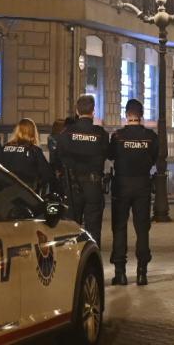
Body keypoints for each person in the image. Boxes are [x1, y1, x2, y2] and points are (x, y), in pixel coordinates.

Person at [109, 99, 159, 286]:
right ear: (141, 114)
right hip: (142, 184)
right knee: (142, 228)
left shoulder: (118, 136)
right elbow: (155, 157)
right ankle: (141, 273)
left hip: (121, 185)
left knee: (120, 227)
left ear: (126, 114)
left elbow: (111, 155)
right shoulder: (151, 137)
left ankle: (120, 273)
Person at [57, 96, 109, 246]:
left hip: (72, 184)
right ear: (93, 111)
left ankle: (73, 258)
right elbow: (107, 153)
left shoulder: (67, 133)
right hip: (93, 184)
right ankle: (91, 256)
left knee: (72, 226)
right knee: (93, 227)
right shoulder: (100, 134)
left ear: (77, 111)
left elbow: (59, 155)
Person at [2, 118, 54, 194]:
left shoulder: (4, 148)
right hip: (26, 193)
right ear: (33, 132)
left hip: (6, 191)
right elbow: (47, 174)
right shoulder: (34, 150)